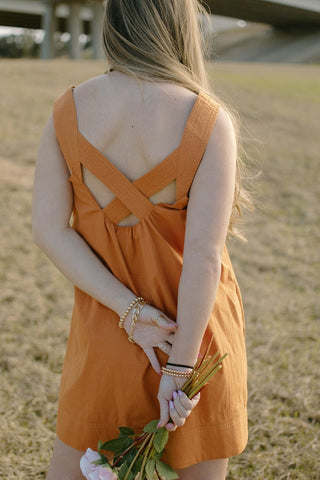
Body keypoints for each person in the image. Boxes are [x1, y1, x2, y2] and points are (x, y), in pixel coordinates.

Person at [32, 1, 252, 479]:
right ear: (179, 27)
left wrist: (130, 313)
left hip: (106, 331)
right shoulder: (209, 120)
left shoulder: (68, 109)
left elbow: (49, 230)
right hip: (193, 337)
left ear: (114, 24)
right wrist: (179, 369)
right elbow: (203, 258)